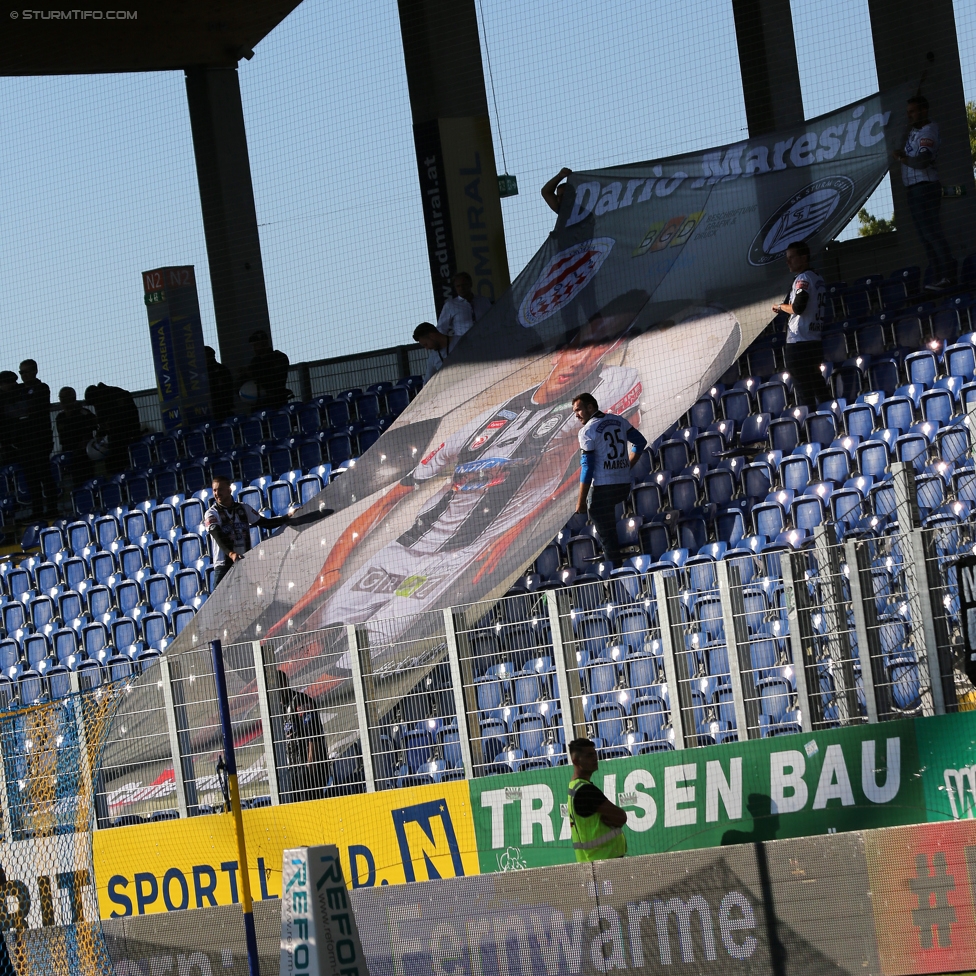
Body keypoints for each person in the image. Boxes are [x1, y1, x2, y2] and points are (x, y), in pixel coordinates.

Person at [573, 391, 647, 567]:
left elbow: (588, 467)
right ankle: (616, 563)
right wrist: (626, 466)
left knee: (606, 535)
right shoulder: (618, 420)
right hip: (623, 486)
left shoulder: (587, 431)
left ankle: (615, 571)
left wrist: (581, 501)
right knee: (609, 529)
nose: (576, 415)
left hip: (604, 488)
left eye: (579, 410)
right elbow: (640, 442)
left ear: (590, 407)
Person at [892, 95, 956, 291]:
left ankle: (948, 276)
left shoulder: (928, 131)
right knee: (924, 237)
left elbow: (922, 161)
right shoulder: (914, 129)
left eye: (913, 111)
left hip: (925, 187)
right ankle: (938, 277)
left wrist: (903, 159)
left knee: (932, 233)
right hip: (913, 189)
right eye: (908, 112)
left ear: (924, 111)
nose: (909, 116)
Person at [203, 475, 292, 588]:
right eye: (214, 490)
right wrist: (231, 554)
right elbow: (217, 536)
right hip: (223, 566)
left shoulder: (243, 508)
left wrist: (287, 517)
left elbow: (266, 524)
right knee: (219, 603)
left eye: (220, 489)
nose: (217, 493)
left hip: (244, 562)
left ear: (229, 490)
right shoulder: (211, 513)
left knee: (247, 599)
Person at [774, 240, 827, 407]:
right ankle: (833, 418)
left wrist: (781, 307)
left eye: (791, 257)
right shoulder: (818, 277)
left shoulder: (802, 279)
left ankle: (812, 426)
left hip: (799, 344)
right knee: (818, 386)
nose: (788, 261)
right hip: (814, 341)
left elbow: (798, 307)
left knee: (805, 392)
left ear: (804, 258)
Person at [566, 738, 627, 861]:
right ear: (575, 761)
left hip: (591, 863)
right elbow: (621, 817)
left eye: (595, 754)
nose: (595, 758)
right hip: (606, 864)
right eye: (589, 755)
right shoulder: (585, 790)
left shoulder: (573, 787)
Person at [18, 360, 57, 516]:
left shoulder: (42, 388)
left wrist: (23, 410)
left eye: (26, 372)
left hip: (40, 440)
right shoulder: (18, 390)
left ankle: (52, 508)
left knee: (44, 474)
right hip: (24, 442)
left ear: (35, 371)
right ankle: (37, 510)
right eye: (21, 373)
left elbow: (34, 409)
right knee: (30, 477)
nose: (24, 376)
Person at [282, 684, 331, 802]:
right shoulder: (278, 707)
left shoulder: (300, 701)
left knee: (310, 803)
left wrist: (310, 762)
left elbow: (313, 733)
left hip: (307, 767)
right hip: (294, 767)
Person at [84, 382, 142, 473]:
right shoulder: (103, 399)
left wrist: (110, 425)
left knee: (121, 463)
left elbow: (129, 416)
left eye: (94, 403)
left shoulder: (117, 395)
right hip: (118, 438)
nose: (95, 406)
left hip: (129, 435)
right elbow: (103, 423)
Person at [55, 387, 98, 487]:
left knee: (88, 480)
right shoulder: (60, 417)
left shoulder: (84, 413)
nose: (63, 401)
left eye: (66, 398)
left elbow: (95, 423)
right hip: (69, 455)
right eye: (61, 398)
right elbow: (65, 434)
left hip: (84, 454)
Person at [240, 329, 290, 410]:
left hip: (276, 402)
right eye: (253, 346)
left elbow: (276, 378)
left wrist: (253, 374)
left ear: (264, 343)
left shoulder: (279, 357)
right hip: (258, 404)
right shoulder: (255, 361)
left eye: (256, 345)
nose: (254, 348)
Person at [436, 272, 492, 340]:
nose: (461, 288)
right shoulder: (450, 305)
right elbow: (441, 328)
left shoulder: (483, 301)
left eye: (464, 285)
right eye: (458, 286)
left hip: (486, 341)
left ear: (470, 284)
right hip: (465, 345)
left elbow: (493, 320)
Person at [205, 346, 236, 422]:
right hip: (210, 409)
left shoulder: (221, 370)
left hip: (221, 408)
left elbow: (228, 389)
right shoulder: (203, 372)